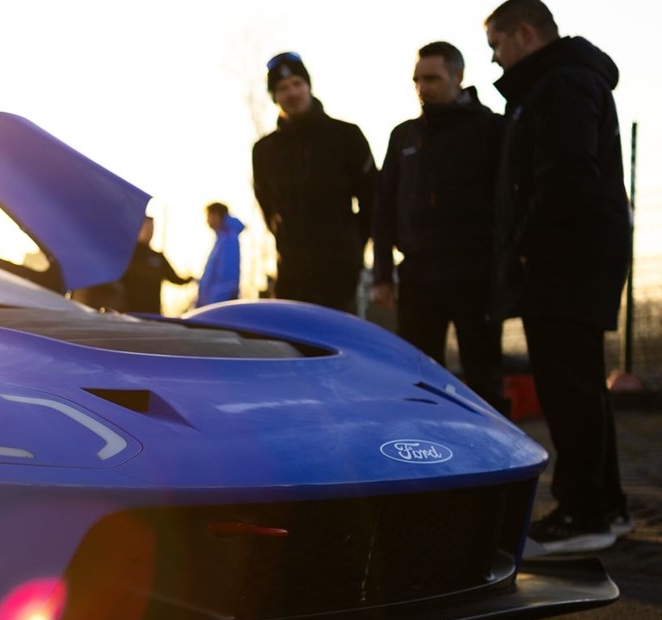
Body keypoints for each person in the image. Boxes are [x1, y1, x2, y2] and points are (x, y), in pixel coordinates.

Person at [485, 0, 632, 554]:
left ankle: (582, 512)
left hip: (564, 259)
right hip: (574, 255)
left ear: (524, 34)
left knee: (567, 387)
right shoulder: (557, 82)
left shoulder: (562, 83)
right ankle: (606, 507)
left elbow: (566, 175)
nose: (495, 59)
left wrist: (527, 248)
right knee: (581, 387)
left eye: (497, 44)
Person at [370, 41, 507, 411]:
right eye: (416, 80)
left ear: (458, 76)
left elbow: (508, 202)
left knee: (484, 377)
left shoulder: (492, 129)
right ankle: (427, 455)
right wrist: (382, 274)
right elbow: (383, 207)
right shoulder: (404, 136)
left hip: (476, 274)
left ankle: (499, 461)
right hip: (418, 276)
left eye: (431, 78)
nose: (422, 87)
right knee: (417, 378)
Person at [252, 52, 378, 312]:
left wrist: (354, 246)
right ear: (274, 96)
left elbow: (372, 198)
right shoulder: (265, 150)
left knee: (338, 341)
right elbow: (266, 204)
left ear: (308, 86)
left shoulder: (346, 136)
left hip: (339, 269)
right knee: (291, 345)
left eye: (297, 84)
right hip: (291, 271)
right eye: (283, 88)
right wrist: (285, 239)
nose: (292, 93)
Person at [194, 202, 245, 307]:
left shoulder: (229, 239)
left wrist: (211, 305)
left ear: (217, 215)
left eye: (209, 216)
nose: (207, 220)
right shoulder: (222, 239)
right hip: (211, 304)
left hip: (216, 305)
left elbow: (227, 278)